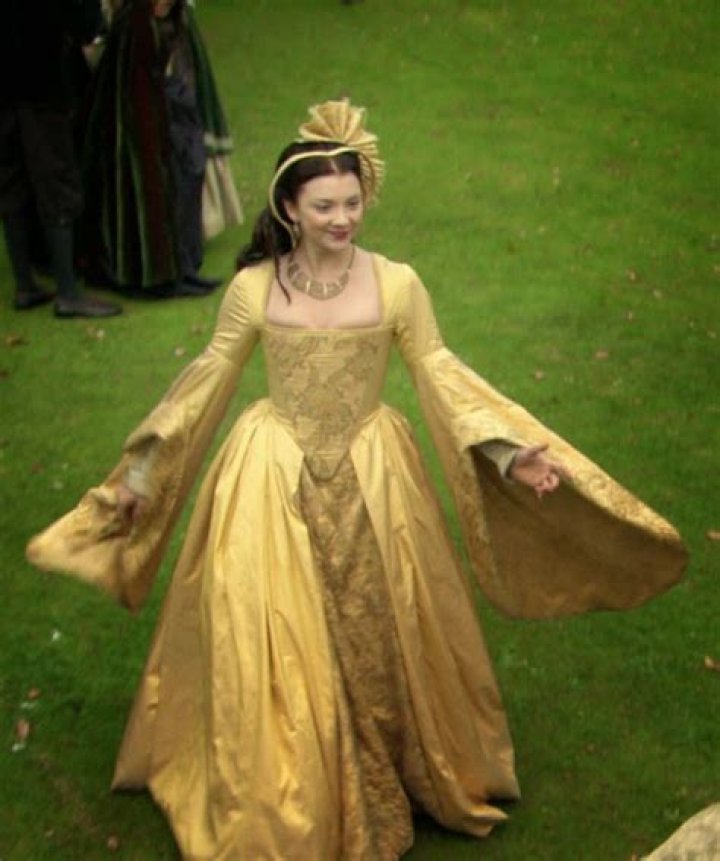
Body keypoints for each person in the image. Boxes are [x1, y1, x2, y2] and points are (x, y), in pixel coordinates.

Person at [28, 100, 687, 859]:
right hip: (270, 475)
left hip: (376, 477)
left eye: (352, 202)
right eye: (325, 206)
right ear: (289, 209)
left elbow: (442, 375)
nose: (342, 219)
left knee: (384, 615)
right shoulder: (254, 289)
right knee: (274, 629)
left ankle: (394, 754)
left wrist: (511, 453)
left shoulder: (397, 284)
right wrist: (141, 475)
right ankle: (289, 787)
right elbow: (203, 386)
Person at [79, 0, 242, 298]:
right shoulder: (135, 25)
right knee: (152, 192)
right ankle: (155, 277)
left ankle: (183, 268)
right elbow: (130, 88)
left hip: (168, 112)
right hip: (141, 127)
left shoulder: (174, 18)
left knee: (186, 177)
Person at [0, 0, 121, 318]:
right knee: (57, 180)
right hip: (41, 80)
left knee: (12, 180)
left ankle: (25, 283)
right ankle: (67, 292)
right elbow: (84, 23)